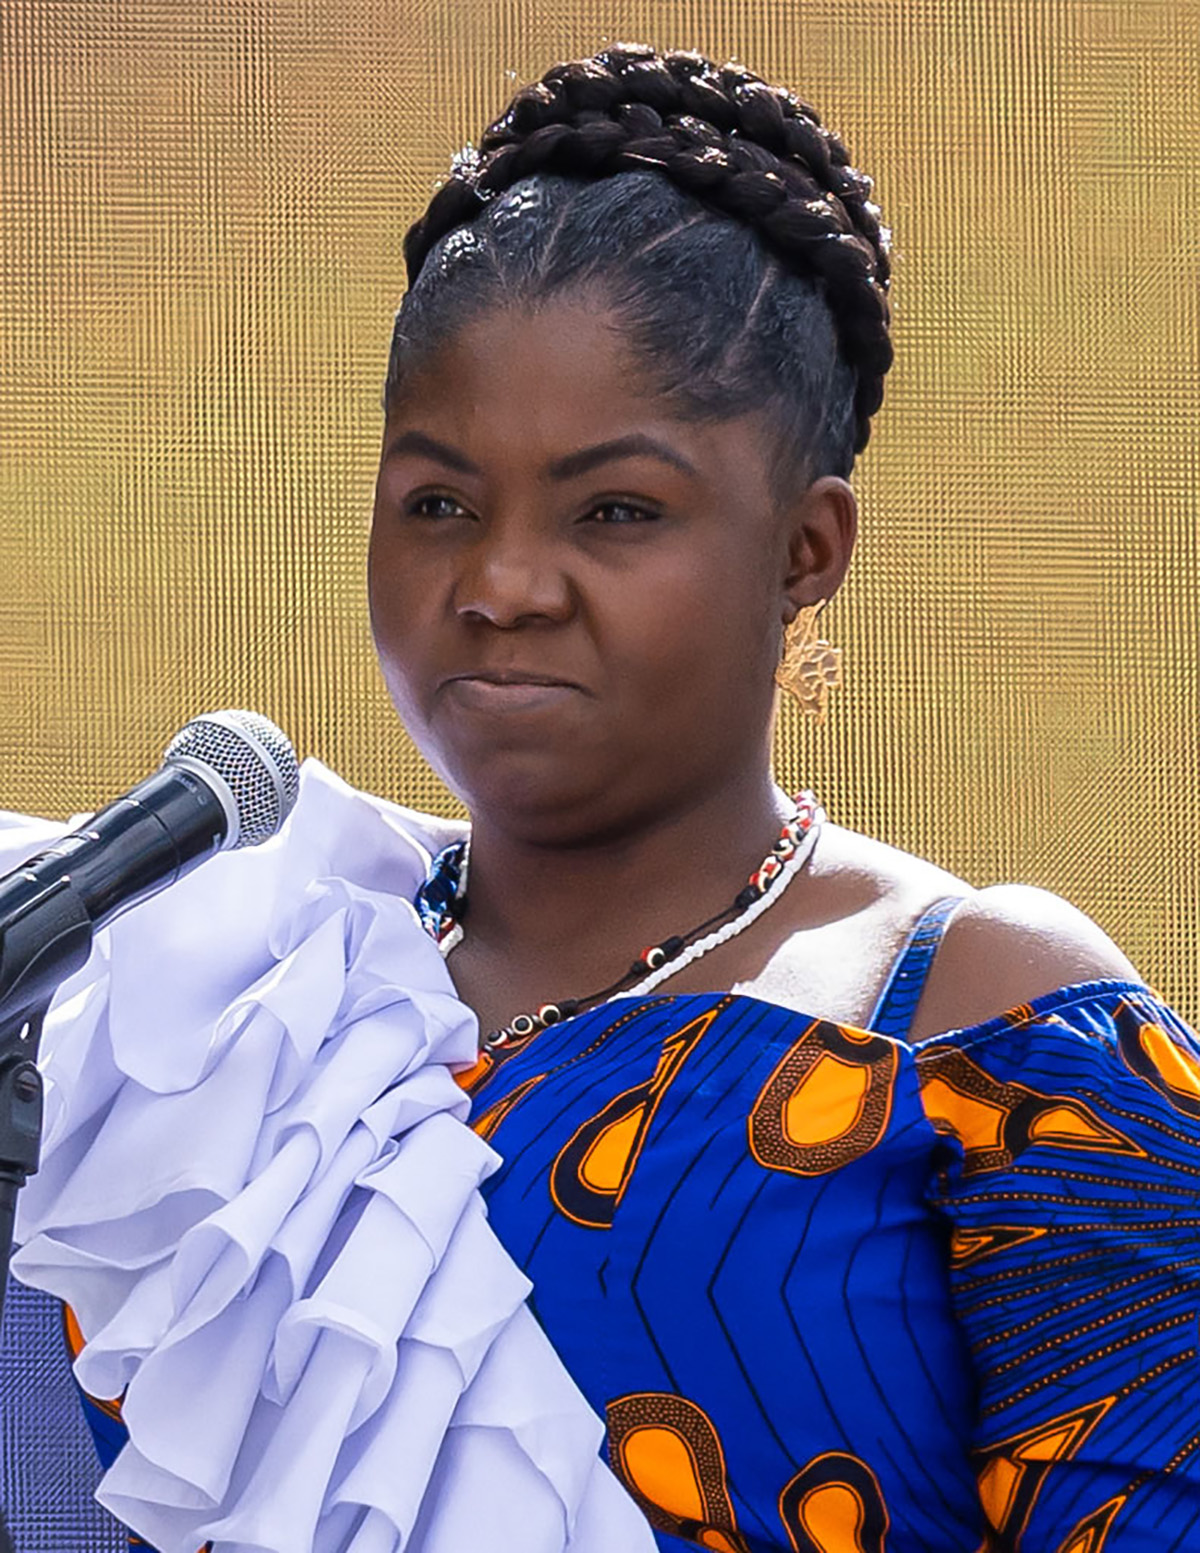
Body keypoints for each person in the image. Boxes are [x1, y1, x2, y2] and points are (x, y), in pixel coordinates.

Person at [8, 40, 1200, 1553]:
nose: (501, 585)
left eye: (615, 511)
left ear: (804, 551)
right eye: (438, 503)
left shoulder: (976, 1008)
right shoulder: (223, 976)